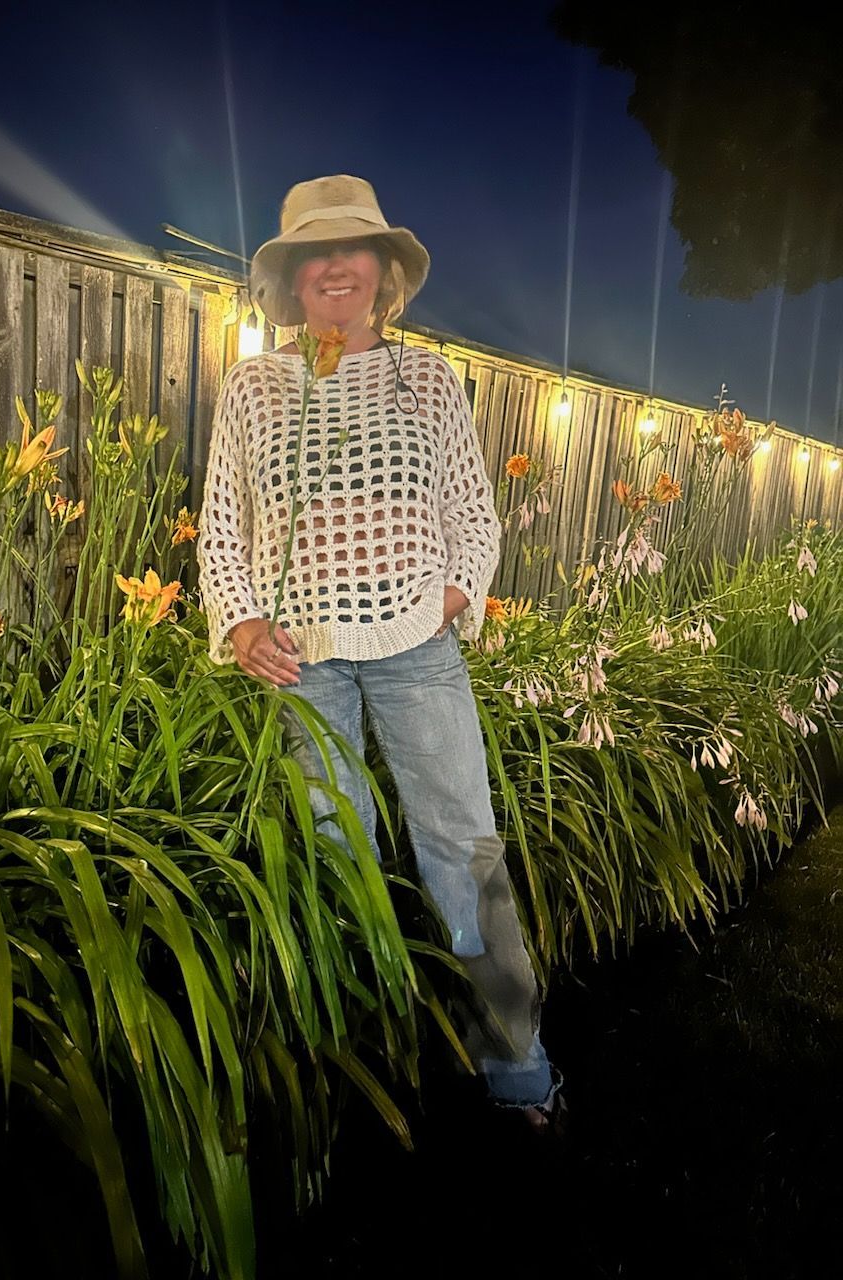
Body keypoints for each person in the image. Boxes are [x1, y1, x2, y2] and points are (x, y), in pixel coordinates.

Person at [197, 174, 563, 1129]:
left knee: (463, 848)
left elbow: (473, 513)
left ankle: (516, 1062)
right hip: (301, 659)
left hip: (417, 647)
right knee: (334, 849)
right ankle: (360, 1054)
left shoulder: (428, 380)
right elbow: (223, 528)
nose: (334, 265)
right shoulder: (253, 387)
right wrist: (243, 622)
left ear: (382, 268)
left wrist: (454, 593)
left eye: (351, 246)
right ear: (290, 277)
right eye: (313, 251)